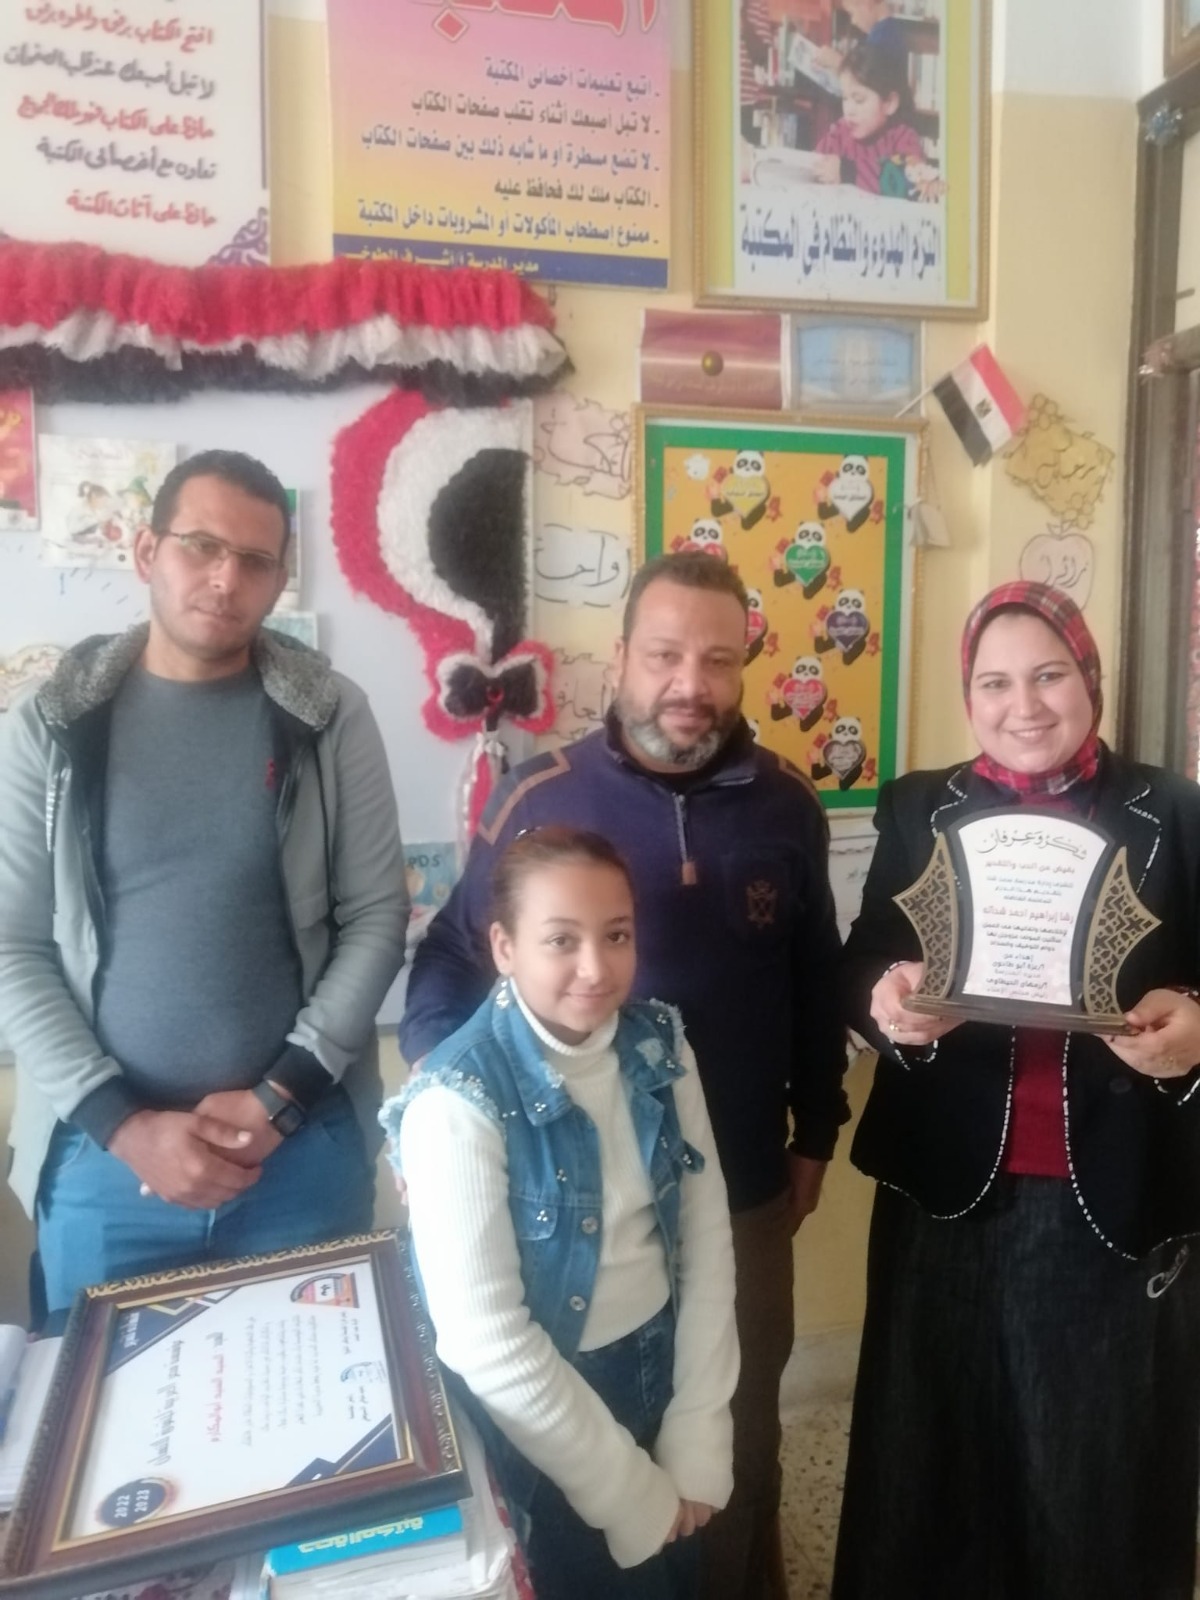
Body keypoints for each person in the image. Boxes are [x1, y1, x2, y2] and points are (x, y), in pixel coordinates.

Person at [402, 550, 848, 1600]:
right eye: (664, 655)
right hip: (564, 1197)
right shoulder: (538, 796)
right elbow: (454, 955)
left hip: (739, 1185)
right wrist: (431, 1111)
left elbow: (816, 976)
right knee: (576, 1457)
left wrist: (818, 1129)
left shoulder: (788, 803)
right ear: (620, 659)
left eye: (718, 660)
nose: (690, 682)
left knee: (735, 1435)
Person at [832, 581, 1200, 1600]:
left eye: (1048, 675)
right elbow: (863, 957)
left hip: (1110, 1201)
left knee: (1089, 1476)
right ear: (969, 695)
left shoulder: (1175, 812)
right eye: (994, 682)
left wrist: (1195, 1024)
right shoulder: (919, 806)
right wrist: (886, 996)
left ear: (1091, 678)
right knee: (931, 1466)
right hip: (946, 1190)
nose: (1023, 705)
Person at [0, 449, 409, 1321]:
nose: (226, 579)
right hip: (104, 1167)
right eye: (201, 547)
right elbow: (13, 945)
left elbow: (377, 916)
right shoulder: (50, 724)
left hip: (297, 1156)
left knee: (312, 1403)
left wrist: (282, 1097)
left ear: (280, 579)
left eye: (255, 560)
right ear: (147, 552)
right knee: (96, 1406)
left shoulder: (329, 716)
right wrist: (125, 1127)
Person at [384, 826, 738, 1600]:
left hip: (661, 1365)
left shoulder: (660, 1045)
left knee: (676, 1578)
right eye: (560, 941)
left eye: (617, 935)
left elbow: (706, 1240)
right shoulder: (455, 1101)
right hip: (544, 1409)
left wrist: (699, 1425)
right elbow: (486, 1339)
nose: (595, 968)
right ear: (504, 947)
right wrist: (628, 1492)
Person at [813, 41, 930, 199]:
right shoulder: (840, 133)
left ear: (889, 103)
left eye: (859, 100)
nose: (849, 110)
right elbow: (813, 164)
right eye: (845, 98)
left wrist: (849, 171)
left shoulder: (903, 137)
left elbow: (914, 179)